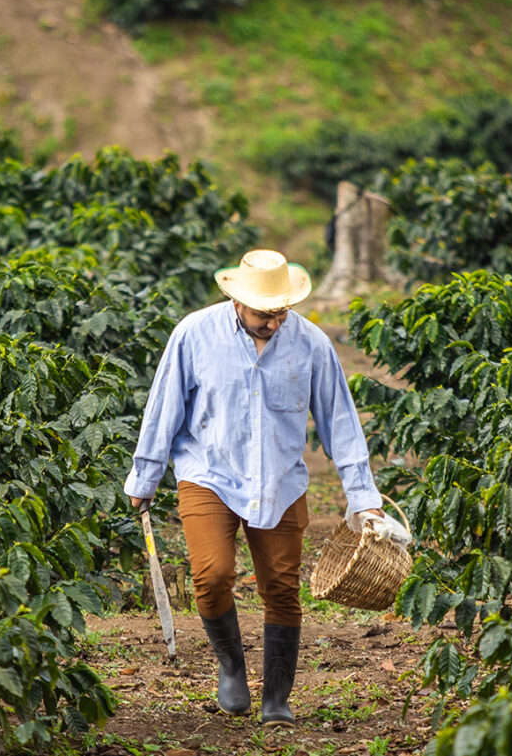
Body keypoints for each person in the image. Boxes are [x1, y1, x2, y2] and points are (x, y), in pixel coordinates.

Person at [124, 249, 386, 727]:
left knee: (282, 587)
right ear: (238, 301)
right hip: (209, 473)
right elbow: (164, 407)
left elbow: (340, 422)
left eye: (280, 311)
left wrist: (363, 497)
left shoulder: (311, 344)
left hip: (281, 480)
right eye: (265, 313)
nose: (274, 321)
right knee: (212, 575)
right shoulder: (195, 334)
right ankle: (231, 665)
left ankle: (277, 698)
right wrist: (146, 475)